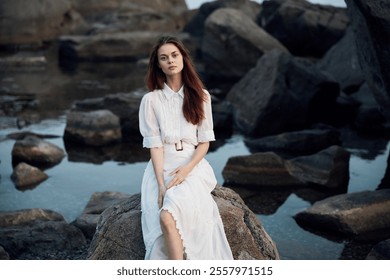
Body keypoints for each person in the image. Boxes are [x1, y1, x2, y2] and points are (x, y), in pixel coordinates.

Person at [138, 35, 233, 260]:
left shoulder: (201, 96)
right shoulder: (151, 100)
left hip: (193, 164)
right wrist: (161, 184)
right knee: (162, 215)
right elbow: (155, 146)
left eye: (174, 55)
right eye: (164, 58)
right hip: (162, 167)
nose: (170, 60)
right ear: (158, 65)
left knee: (169, 215)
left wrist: (187, 169)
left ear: (183, 58)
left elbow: (204, 142)